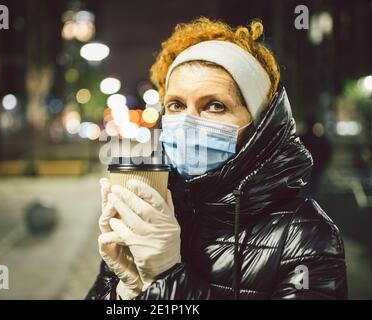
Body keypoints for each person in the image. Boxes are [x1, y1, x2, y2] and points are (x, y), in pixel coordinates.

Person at [86, 18, 347, 300]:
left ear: (260, 124)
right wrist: (126, 290)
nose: (187, 122)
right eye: (176, 105)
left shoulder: (308, 239)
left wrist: (166, 278)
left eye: (214, 105)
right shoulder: (154, 210)